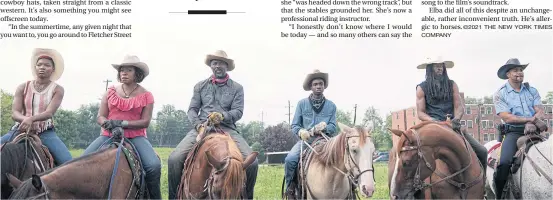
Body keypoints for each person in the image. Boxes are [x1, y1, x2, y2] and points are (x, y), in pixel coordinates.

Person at [167, 50, 259, 199]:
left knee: (252, 164)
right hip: (203, 128)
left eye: (221, 63)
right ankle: (174, 197)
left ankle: (247, 197)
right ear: (211, 66)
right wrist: (198, 126)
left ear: (227, 66)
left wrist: (223, 116)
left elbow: (238, 111)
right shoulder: (200, 86)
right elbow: (192, 110)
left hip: (227, 129)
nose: (217, 66)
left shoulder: (237, 88)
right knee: (174, 159)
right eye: (214, 63)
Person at [81, 55, 161, 199]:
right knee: (82, 161)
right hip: (108, 134)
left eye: (128, 70)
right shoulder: (110, 92)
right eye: (122, 70)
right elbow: (100, 116)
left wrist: (122, 124)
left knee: (153, 165)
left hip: (136, 136)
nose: (124, 73)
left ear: (137, 73)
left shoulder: (147, 95)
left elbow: (145, 122)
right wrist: (109, 124)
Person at [414, 57, 487, 174]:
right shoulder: (421, 88)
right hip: (432, 127)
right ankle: (415, 189)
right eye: (436, 65)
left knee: (482, 152)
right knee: (414, 157)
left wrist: (456, 119)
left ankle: (482, 186)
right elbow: (421, 113)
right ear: (429, 68)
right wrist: (437, 123)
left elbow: (459, 107)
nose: (440, 68)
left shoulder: (452, 84)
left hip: (453, 126)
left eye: (441, 65)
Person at [1, 48, 72, 166]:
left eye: (47, 65)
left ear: (53, 69)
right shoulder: (22, 87)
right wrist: (25, 120)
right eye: (39, 65)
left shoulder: (57, 89)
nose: (42, 67)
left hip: (44, 132)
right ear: (35, 67)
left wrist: (31, 119)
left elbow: (49, 113)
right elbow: (15, 113)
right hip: (20, 129)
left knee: (68, 163)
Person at [492, 58, 548, 199]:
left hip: (535, 130)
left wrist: (534, 122)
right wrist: (531, 119)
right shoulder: (500, 94)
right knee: (504, 163)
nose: (520, 73)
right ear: (507, 74)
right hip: (513, 132)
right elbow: (507, 117)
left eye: (521, 70)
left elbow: (539, 109)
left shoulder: (531, 90)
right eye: (515, 70)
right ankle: (500, 195)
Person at [284, 69, 338, 199]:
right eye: (315, 84)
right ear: (311, 87)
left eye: (321, 83)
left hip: (326, 142)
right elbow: (295, 125)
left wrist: (325, 128)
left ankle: (350, 189)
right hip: (306, 141)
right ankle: (290, 189)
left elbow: (333, 126)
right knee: (290, 159)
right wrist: (301, 131)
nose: (318, 86)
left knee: (344, 158)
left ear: (324, 86)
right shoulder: (302, 104)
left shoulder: (331, 106)